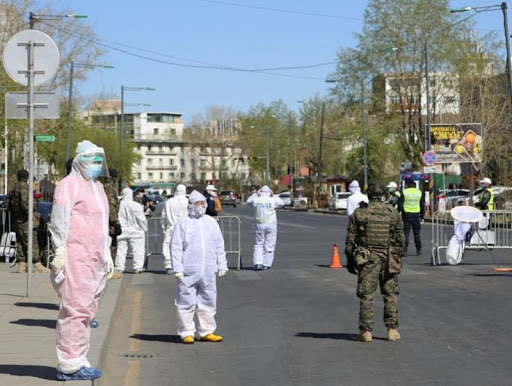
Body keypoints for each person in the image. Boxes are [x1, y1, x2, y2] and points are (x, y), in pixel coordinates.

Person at [49, 140, 113, 381]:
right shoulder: (68, 185)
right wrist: (60, 250)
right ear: (79, 161)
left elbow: (102, 223)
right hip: (76, 256)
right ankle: (69, 364)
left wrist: (106, 253)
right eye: (92, 160)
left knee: (87, 310)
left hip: (95, 257)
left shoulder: (97, 188)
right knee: (75, 310)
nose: (96, 166)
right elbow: (60, 219)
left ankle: (80, 359)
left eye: (99, 161)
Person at [344, 181, 405, 343]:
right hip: (388, 257)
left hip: (368, 258)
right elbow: (401, 239)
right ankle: (392, 330)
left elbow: (350, 240)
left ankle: (365, 331)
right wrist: (397, 256)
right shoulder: (392, 212)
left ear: (369, 195)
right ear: (383, 194)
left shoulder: (360, 213)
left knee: (366, 295)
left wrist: (350, 259)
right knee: (390, 293)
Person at [171, 190, 228, 344]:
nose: (200, 206)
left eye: (202, 203)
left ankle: (207, 331)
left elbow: (219, 244)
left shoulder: (210, 222)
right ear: (191, 205)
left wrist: (222, 263)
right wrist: (177, 268)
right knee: (185, 301)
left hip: (208, 269)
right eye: (197, 203)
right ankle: (186, 332)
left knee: (208, 299)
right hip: (188, 269)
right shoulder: (183, 223)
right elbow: (176, 247)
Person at [5, 169, 49, 273]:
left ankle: (22, 265)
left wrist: (15, 213)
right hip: (26, 219)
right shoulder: (25, 187)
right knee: (32, 240)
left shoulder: (13, 188)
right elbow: (25, 202)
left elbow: (7, 204)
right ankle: (37, 264)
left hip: (17, 219)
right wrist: (32, 211)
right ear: (27, 177)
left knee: (20, 241)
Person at [246, 185, 284, 270]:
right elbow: (282, 203)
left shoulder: (257, 200)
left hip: (259, 224)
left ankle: (258, 263)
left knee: (258, 244)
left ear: (261, 192)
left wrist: (255, 194)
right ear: (269, 192)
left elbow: (248, 202)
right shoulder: (272, 200)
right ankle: (266, 264)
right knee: (269, 244)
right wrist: (273, 195)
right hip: (271, 225)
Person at [114, 188, 148, 275]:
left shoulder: (119, 205)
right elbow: (141, 219)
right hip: (136, 230)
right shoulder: (137, 205)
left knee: (121, 250)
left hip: (122, 230)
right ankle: (138, 267)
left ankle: (119, 267)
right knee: (138, 250)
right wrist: (144, 228)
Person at [100, 169, 122, 279]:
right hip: (108, 223)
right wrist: (115, 222)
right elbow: (111, 206)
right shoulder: (109, 189)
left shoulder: (101, 187)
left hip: (102, 221)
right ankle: (109, 270)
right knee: (111, 246)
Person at [161, 184, 188, 275]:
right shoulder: (187, 201)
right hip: (184, 227)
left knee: (168, 246)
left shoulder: (169, 201)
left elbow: (164, 216)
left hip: (171, 226)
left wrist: (163, 227)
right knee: (184, 246)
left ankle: (169, 265)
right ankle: (182, 265)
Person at [398, 177, 425, 256]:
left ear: (407, 184)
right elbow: (422, 205)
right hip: (416, 215)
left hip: (406, 215)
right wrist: (422, 215)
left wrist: (400, 212)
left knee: (406, 233)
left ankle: (405, 250)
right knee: (416, 234)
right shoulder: (419, 192)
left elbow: (400, 204)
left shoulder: (404, 192)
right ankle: (418, 249)